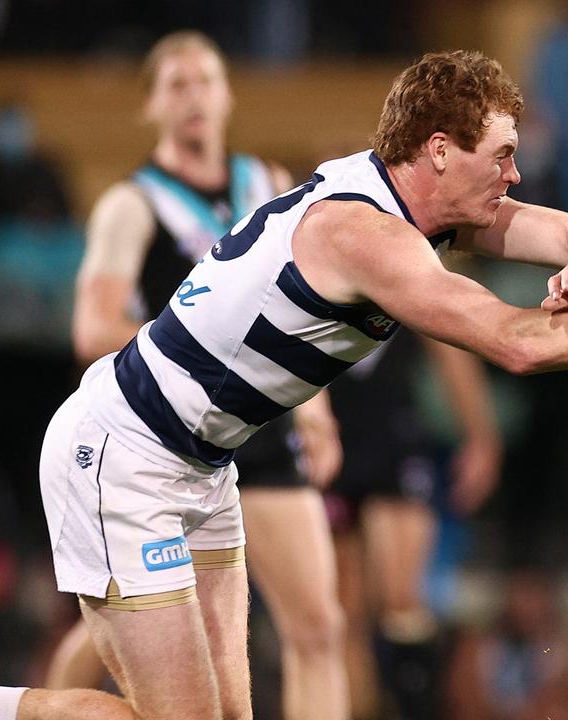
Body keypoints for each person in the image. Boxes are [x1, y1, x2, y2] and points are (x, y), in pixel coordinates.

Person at [0, 49, 568, 720]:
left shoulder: (421, 199)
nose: (516, 173)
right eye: (502, 154)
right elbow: (515, 345)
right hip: (121, 458)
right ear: (441, 150)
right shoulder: (364, 235)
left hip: (203, 469)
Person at [43, 31, 351, 720]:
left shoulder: (267, 184)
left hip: (259, 434)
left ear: (228, 94)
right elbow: (91, 329)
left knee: (318, 626)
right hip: (161, 436)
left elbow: (305, 310)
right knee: (108, 633)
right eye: (176, 85)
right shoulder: (133, 204)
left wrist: (316, 412)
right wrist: (205, 353)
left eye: (205, 81)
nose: (194, 98)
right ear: (150, 105)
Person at [322, 326, 502, 720]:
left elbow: (447, 339)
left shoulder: (406, 263)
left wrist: (480, 436)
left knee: (401, 602)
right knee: (339, 615)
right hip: (326, 437)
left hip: (392, 437)